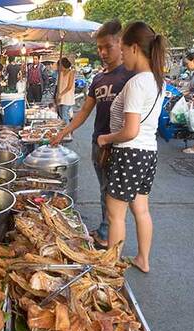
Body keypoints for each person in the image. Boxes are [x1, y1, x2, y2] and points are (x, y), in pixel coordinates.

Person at [50, 20, 135, 249]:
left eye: (108, 46)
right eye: (99, 48)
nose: (103, 52)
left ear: (120, 43)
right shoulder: (98, 79)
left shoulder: (131, 76)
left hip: (122, 146)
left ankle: (110, 237)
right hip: (99, 144)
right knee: (104, 190)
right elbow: (85, 111)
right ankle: (106, 229)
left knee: (116, 197)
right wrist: (63, 131)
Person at [96, 21, 167, 273]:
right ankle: (142, 259)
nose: (122, 55)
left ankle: (111, 267)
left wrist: (106, 138)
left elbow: (130, 130)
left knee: (116, 214)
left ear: (135, 48)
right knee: (141, 209)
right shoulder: (158, 81)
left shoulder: (137, 83)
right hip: (148, 153)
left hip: (130, 153)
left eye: (123, 50)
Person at [54, 58, 76, 125]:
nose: (58, 67)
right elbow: (57, 85)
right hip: (60, 97)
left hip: (67, 98)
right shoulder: (60, 73)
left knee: (64, 116)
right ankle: (64, 130)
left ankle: (67, 132)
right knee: (61, 115)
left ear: (63, 65)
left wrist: (61, 94)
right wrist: (57, 95)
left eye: (59, 65)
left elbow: (69, 87)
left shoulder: (71, 72)